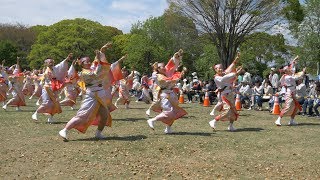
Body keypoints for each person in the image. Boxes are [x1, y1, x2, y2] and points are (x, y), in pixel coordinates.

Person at [59, 45, 125, 140]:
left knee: (104, 115)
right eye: (87, 62)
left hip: (100, 95)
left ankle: (98, 133)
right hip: (91, 96)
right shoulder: (85, 73)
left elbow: (96, 62)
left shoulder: (90, 68)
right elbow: (96, 74)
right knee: (82, 115)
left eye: (89, 61)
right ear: (82, 64)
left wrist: (101, 51)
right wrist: (98, 59)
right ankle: (64, 130)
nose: (89, 62)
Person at [146, 49, 187, 134]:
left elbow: (172, 65)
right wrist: (154, 69)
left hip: (172, 93)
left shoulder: (168, 72)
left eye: (164, 66)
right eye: (161, 67)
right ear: (158, 69)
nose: (164, 67)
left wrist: (177, 55)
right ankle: (152, 120)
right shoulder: (156, 75)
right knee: (169, 111)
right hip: (164, 94)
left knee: (174, 111)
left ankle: (168, 128)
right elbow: (163, 80)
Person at [31, 53, 73, 123]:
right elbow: (43, 79)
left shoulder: (55, 68)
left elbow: (61, 65)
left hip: (54, 88)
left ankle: (50, 118)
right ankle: (36, 113)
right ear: (46, 64)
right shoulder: (46, 71)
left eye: (52, 62)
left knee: (54, 103)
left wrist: (67, 59)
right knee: (46, 102)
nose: (51, 63)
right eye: (50, 62)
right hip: (47, 88)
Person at [209, 52, 242, 131]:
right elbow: (225, 79)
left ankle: (230, 125)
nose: (220, 69)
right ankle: (214, 120)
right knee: (227, 110)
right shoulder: (217, 78)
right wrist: (235, 73)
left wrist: (236, 59)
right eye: (218, 68)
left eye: (221, 68)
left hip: (230, 94)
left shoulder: (224, 73)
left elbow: (231, 66)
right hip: (224, 95)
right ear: (215, 70)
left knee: (233, 111)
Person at [275, 56, 306, 126]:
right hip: (290, 93)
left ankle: (291, 120)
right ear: (286, 71)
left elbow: (292, 66)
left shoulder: (288, 75)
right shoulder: (287, 77)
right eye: (289, 69)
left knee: (296, 107)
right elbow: (297, 77)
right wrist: (303, 72)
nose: (291, 70)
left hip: (293, 92)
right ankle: (278, 119)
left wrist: (294, 60)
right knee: (287, 107)